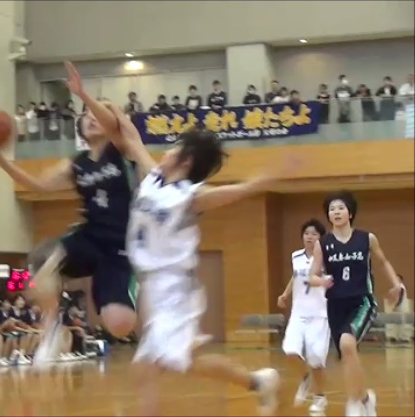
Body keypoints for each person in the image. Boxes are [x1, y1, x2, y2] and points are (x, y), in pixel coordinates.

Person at [119, 111, 301, 414]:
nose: (167, 152)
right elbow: (131, 138)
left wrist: (275, 172)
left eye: (174, 148)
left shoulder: (190, 196)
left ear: (186, 160)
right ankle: (257, 381)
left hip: (175, 288)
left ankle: (258, 381)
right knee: (166, 366)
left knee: (149, 368)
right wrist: (92, 100)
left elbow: (240, 190)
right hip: (151, 288)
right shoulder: (152, 178)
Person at [0, 62, 152, 365]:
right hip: (89, 236)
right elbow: (38, 185)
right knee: (39, 263)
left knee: (119, 324)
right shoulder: (77, 163)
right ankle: (52, 327)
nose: (92, 118)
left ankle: (128, 292)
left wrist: (84, 95)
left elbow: (113, 124)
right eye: (86, 116)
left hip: (120, 245)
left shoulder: (121, 149)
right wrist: (0, 159)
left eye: (98, 114)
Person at [308, 190, 405, 416]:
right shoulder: (323, 244)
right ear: (328, 215)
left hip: (362, 302)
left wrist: (396, 284)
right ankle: (365, 398)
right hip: (335, 306)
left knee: (347, 344)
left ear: (350, 213)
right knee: (347, 353)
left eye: (340, 208)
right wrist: (321, 281)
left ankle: (354, 401)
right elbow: (311, 276)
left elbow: (383, 262)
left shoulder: (366, 239)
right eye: (332, 209)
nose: (336, 212)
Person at [277, 219, 329, 413]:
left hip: (320, 314)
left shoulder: (327, 258)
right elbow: (295, 276)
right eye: (307, 233)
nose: (310, 237)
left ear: (321, 237)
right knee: (290, 351)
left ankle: (320, 397)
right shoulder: (296, 256)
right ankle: (305, 377)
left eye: (314, 234)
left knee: (316, 359)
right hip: (298, 312)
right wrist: (285, 294)